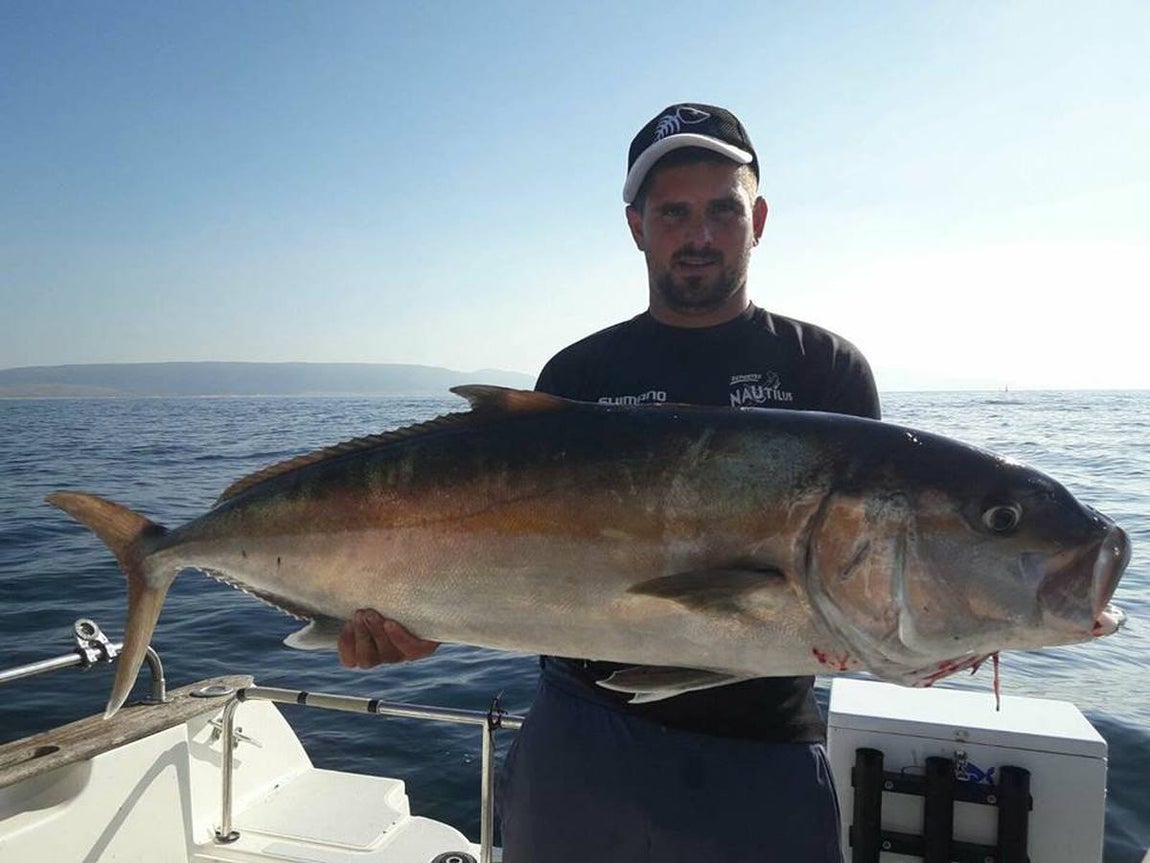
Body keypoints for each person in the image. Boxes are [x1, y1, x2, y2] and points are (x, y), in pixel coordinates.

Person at [340, 102, 880, 862]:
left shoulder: (827, 372)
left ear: (757, 219)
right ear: (636, 226)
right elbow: (516, 553)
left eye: (722, 210)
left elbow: (862, 576)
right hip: (581, 742)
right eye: (673, 212)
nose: (698, 234)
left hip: (761, 751)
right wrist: (416, 613)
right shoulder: (578, 376)